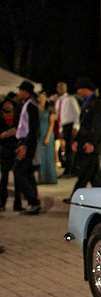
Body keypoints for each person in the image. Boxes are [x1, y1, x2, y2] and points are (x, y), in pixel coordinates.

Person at [68, 77, 101, 197]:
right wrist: (77, 140)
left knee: (85, 172)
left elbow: (96, 125)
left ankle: (75, 195)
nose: (77, 91)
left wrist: (91, 142)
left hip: (90, 142)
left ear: (85, 89)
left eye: (79, 88)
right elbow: (83, 124)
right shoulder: (86, 102)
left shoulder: (96, 103)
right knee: (94, 174)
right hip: (85, 141)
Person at [14, 81, 41, 215]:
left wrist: (24, 145)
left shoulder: (31, 105)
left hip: (27, 142)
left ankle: (33, 202)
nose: (19, 92)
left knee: (19, 172)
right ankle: (34, 203)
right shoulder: (27, 104)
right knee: (28, 173)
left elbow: (32, 128)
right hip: (26, 141)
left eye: (20, 90)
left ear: (26, 92)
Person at [54, 81, 80, 178]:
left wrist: (76, 126)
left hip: (71, 125)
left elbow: (77, 112)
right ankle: (68, 169)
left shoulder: (70, 98)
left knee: (70, 149)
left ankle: (71, 170)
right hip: (64, 126)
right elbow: (60, 116)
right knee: (65, 149)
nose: (60, 89)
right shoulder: (59, 100)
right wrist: (61, 129)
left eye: (62, 87)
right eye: (58, 87)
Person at [0, 98, 21, 211]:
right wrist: (5, 134)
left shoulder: (18, 118)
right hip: (4, 149)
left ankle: (17, 203)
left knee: (18, 176)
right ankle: (2, 202)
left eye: (9, 103)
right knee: (4, 177)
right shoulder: (1, 119)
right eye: (5, 104)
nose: (7, 105)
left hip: (16, 148)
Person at [37, 91, 57, 184]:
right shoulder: (36, 108)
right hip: (39, 134)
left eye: (42, 97)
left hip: (47, 133)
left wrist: (48, 136)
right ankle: (42, 178)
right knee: (40, 156)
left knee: (49, 156)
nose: (40, 99)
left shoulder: (49, 109)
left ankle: (51, 178)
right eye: (39, 97)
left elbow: (52, 124)